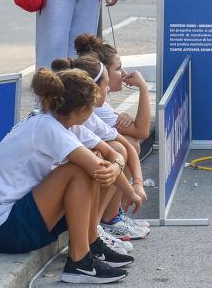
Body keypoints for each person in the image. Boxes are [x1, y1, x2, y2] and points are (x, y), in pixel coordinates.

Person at [0, 68, 132, 284]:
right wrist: (118, 170)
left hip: (18, 216)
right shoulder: (47, 126)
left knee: (91, 159)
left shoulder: (62, 119)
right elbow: (97, 165)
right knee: (79, 169)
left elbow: (110, 152)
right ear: (81, 110)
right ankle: (79, 262)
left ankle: (91, 242)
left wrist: (117, 166)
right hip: (5, 230)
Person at [50, 54, 149, 242]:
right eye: (118, 69)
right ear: (94, 90)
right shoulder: (54, 123)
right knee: (93, 164)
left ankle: (95, 231)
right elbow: (138, 134)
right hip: (20, 212)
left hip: (43, 196)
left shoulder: (82, 117)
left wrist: (135, 185)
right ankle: (93, 234)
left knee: (114, 151)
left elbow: (121, 148)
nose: (123, 73)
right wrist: (130, 189)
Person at [75, 34, 151, 156]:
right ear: (104, 72)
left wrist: (126, 119)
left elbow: (134, 129)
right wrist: (143, 87)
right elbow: (142, 131)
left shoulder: (97, 100)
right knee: (128, 145)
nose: (124, 73)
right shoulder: (96, 106)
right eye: (118, 69)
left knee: (128, 142)